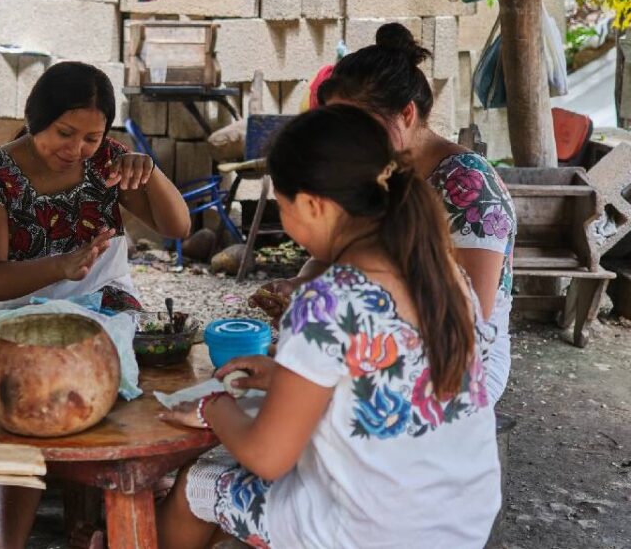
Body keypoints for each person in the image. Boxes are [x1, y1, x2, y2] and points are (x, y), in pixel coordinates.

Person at [157, 104, 501, 549]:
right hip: (460, 521)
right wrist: (284, 375)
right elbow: (392, 373)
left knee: (198, 482)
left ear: (312, 205)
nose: (286, 222)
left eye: (283, 207)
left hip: (368, 534)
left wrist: (214, 408)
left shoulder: (327, 298)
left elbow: (267, 457)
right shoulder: (442, 272)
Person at [0, 61, 190, 547]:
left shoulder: (108, 163)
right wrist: (61, 266)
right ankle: (9, 542)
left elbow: (178, 227)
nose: (76, 149)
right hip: (18, 311)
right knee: (24, 403)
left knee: (128, 389)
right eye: (64, 133)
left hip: (104, 304)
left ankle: (110, 512)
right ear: (36, 118)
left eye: (91, 137)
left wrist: (149, 171)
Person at [252, 23, 516, 402]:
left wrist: (333, 329)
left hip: (461, 358)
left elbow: (466, 319)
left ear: (406, 114)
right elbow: (337, 252)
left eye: (358, 125)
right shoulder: (371, 169)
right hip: (386, 332)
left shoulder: (469, 186)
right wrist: (301, 285)